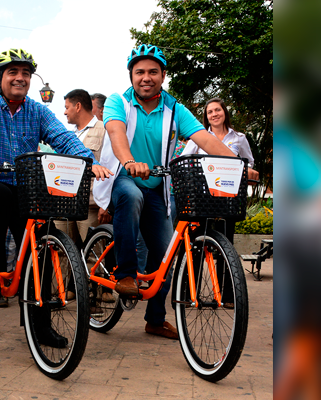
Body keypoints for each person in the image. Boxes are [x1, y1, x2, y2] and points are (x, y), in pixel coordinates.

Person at [0, 48, 112, 347]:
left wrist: (87, 162)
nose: (20, 78)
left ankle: (39, 325)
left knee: (43, 240)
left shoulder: (37, 110)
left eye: (26, 74)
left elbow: (63, 137)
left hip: (23, 187)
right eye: (13, 73)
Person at [93, 44, 238, 340]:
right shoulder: (117, 101)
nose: (146, 77)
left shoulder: (175, 108)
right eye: (140, 72)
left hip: (158, 187)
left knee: (165, 257)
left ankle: (155, 320)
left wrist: (237, 165)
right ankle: (126, 276)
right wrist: (130, 162)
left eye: (153, 72)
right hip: (123, 176)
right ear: (131, 75)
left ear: (163, 75)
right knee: (131, 197)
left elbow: (205, 140)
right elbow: (117, 134)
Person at [179, 97, 259, 241]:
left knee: (226, 237)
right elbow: (184, 158)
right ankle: (196, 263)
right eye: (210, 112)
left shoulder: (239, 138)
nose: (214, 114)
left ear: (225, 112)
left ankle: (226, 263)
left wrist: (245, 170)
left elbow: (249, 162)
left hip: (229, 193)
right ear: (206, 117)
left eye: (217, 110)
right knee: (199, 238)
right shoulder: (199, 137)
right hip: (203, 193)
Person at [56, 89, 109, 246]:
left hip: (90, 204)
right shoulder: (67, 136)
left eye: (67, 107)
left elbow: (111, 166)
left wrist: (105, 205)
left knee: (92, 254)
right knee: (61, 251)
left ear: (77, 106)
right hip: (64, 202)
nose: (65, 112)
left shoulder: (104, 129)